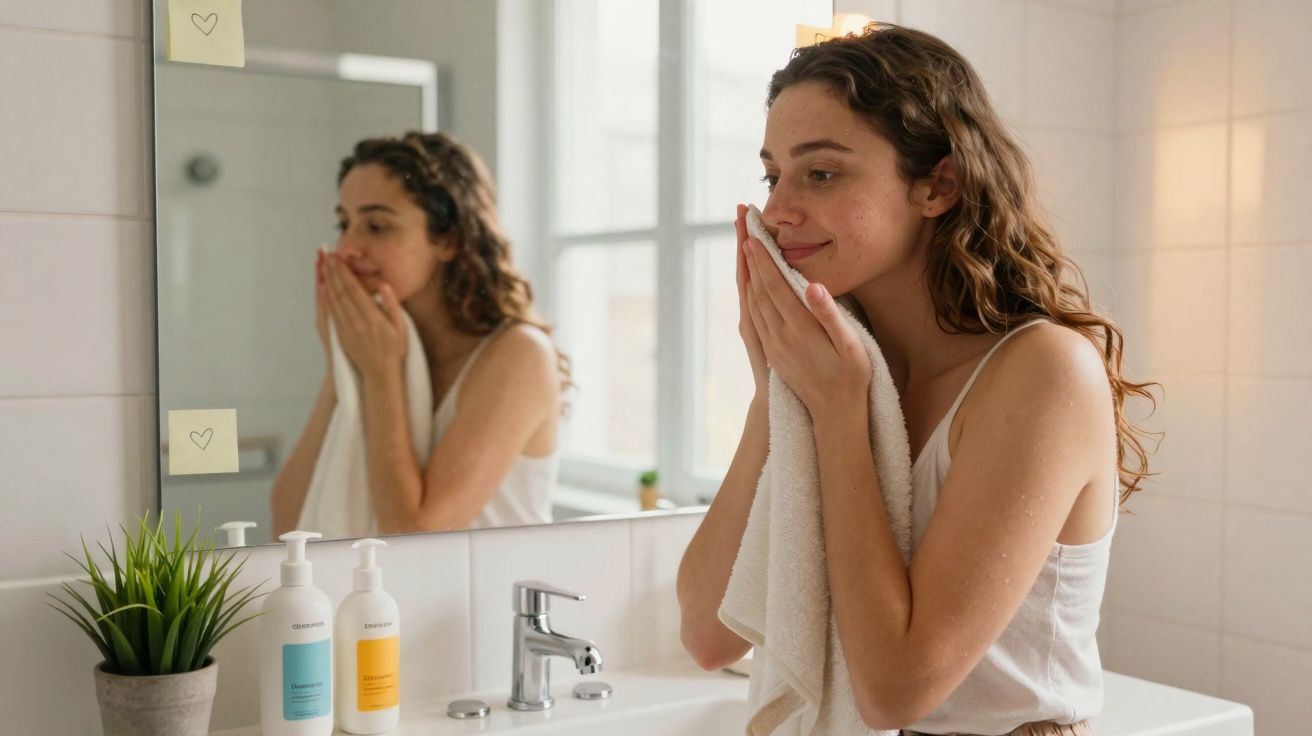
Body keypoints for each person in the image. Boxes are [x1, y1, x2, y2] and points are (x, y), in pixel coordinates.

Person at [677, 24, 1158, 736]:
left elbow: (896, 692)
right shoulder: (842, 367)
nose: (776, 212)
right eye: (773, 176)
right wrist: (776, 391)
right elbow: (707, 634)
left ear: (938, 185)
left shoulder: (1042, 373)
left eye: (822, 173)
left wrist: (838, 415)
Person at [271, 131, 568, 535]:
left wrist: (380, 374)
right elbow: (288, 525)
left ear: (449, 239)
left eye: (376, 226)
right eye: (344, 223)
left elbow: (415, 535)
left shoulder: (519, 354)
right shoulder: (386, 346)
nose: (347, 247)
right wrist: (340, 362)